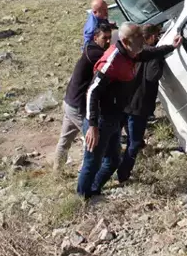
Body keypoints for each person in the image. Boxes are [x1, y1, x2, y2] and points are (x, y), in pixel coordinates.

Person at [76, 22, 181, 198]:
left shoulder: (131, 53)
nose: (141, 40)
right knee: (92, 163)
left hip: (114, 118)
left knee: (113, 160)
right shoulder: (112, 61)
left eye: (141, 36)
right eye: (137, 37)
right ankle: (82, 198)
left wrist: (171, 46)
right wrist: (93, 125)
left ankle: (94, 191)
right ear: (125, 40)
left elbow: (148, 53)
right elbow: (92, 92)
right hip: (100, 120)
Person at [53, 23, 113, 173]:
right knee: (92, 138)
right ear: (95, 38)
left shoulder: (90, 48)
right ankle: (86, 172)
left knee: (65, 139)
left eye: (109, 38)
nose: (107, 41)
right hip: (78, 105)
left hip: (69, 102)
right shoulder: (96, 55)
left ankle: (56, 171)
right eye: (104, 38)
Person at [117, 24, 172, 184]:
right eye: (156, 36)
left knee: (122, 135)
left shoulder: (134, 52)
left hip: (125, 101)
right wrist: (161, 61)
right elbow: (152, 76)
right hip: (139, 105)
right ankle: (123, 174)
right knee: (133, 142)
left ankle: (117, 162)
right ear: (151, 37)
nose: (157, 39)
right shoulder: (152, 55)